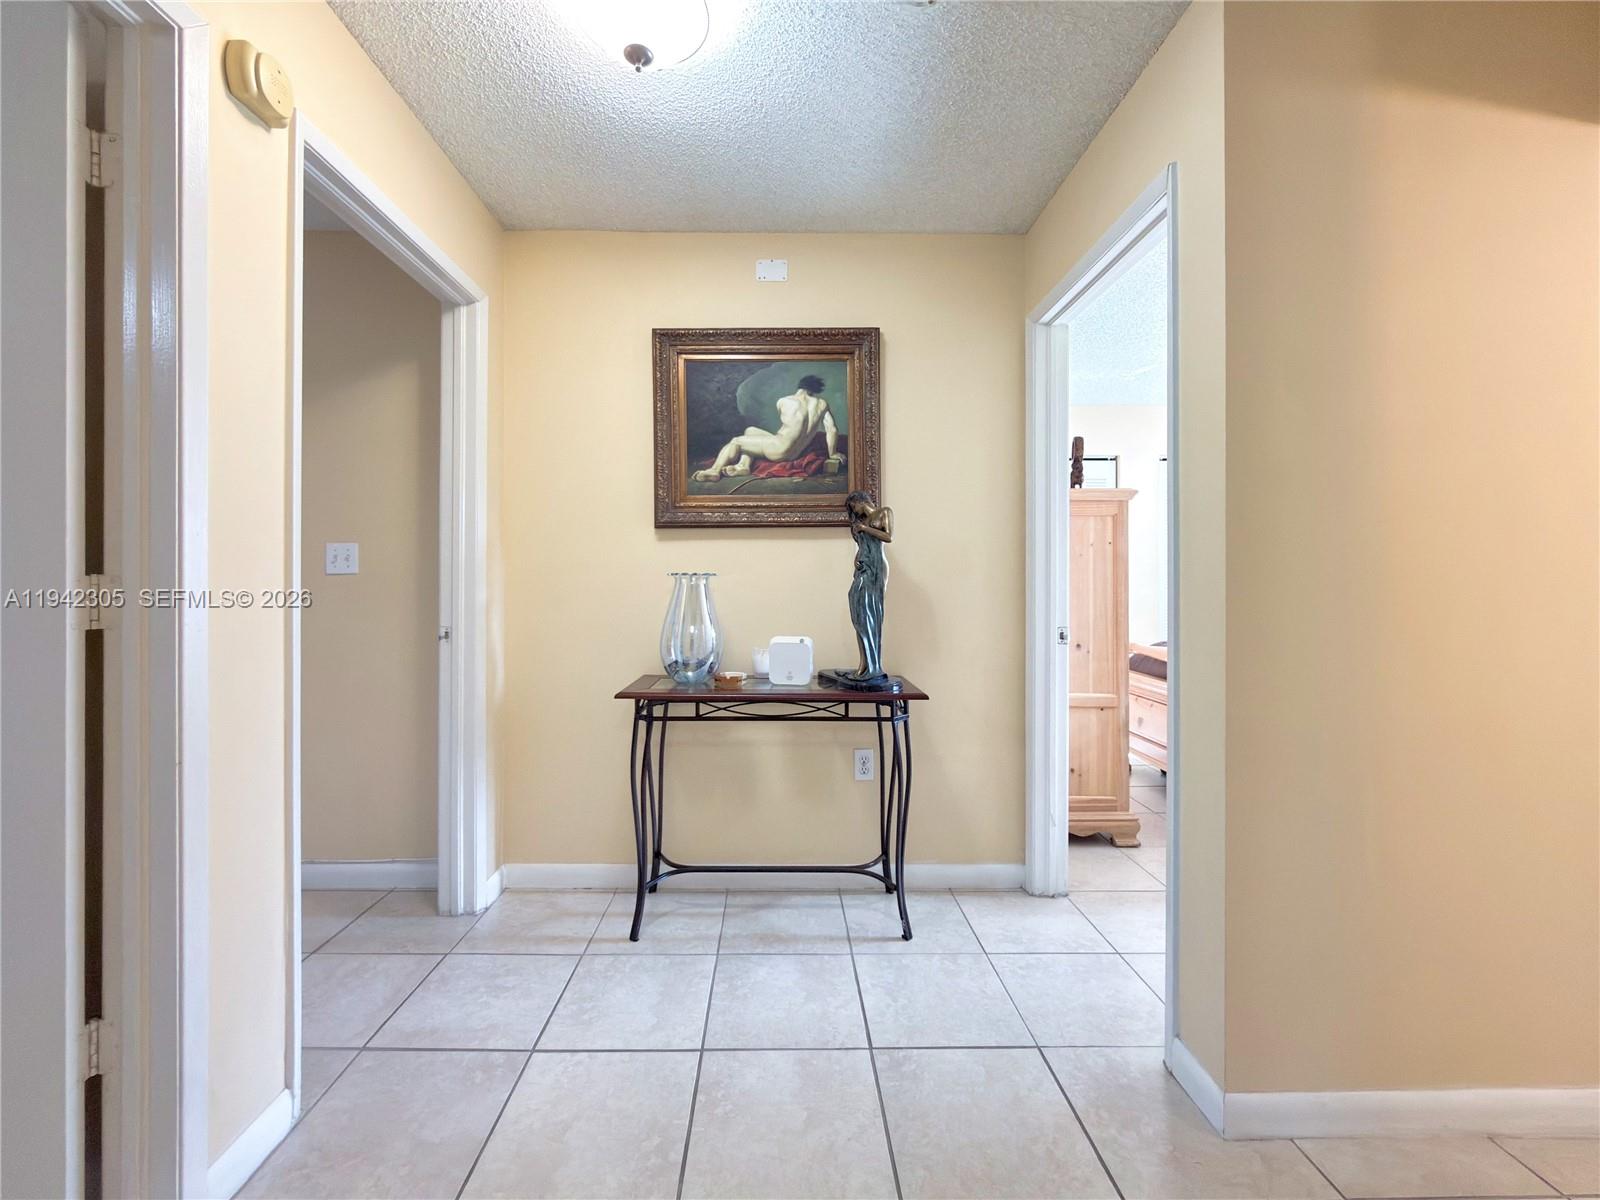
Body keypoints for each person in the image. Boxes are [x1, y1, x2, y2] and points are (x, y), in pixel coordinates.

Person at [691, 374, 843, 482]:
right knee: (750, 431)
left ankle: (714, 471)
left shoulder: (784, 401)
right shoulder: (822, 404)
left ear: (800, 387)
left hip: (777, 449)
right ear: (814, 390)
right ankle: (743, 466)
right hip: (793, 453)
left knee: (736, 441)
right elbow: (832, 430)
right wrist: (833, 453)